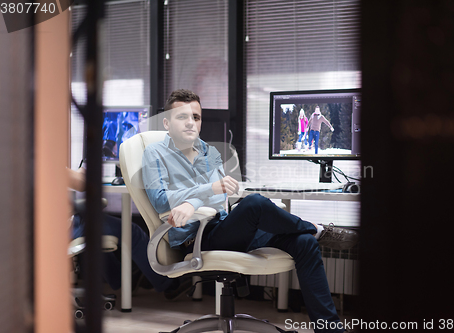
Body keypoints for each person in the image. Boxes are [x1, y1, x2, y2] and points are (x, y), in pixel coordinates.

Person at [142, 89, 357, 333]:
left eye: (196, 117)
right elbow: (160, 201)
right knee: (255, 202)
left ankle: (329, 329)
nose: (191, 122)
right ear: (167, 122)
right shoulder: (154, 153)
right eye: (182, 117)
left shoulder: (208, 151)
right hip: (198, 238)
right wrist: (202, 194)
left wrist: (195, 199)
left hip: (223, 227)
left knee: (304, 243)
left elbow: (220, 199)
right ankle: (318, 229)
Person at [67, 167, 190, 299]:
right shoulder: (46, 160)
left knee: (97, 234)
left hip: (52, 230)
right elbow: (82, 184)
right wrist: (81, 173)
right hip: (67, 228)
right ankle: (169, 284)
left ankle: (123, 281)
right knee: (132, 232)